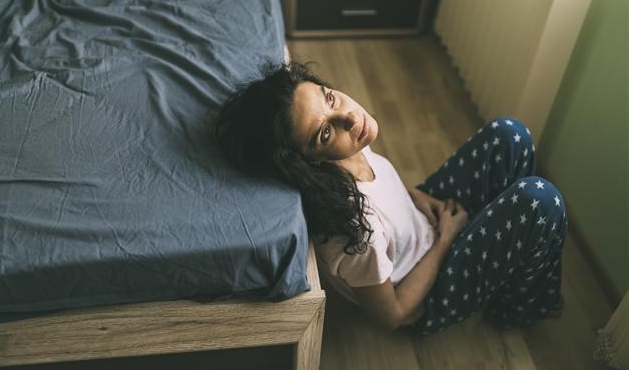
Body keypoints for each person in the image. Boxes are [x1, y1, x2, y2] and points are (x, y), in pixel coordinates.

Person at [214, 61, 567, 335]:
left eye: (330, 97)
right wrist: (447, 239)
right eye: (325, 132)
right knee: (541, 200)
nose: (351, 118)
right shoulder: (355, 231)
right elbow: (392, 316)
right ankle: (515, 306)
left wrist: (415, 197)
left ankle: (505, 254)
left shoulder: (348, 150)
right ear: (308, 161)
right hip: (428, 289)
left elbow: (382, 190)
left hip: (424, 224)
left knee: (510, 135)